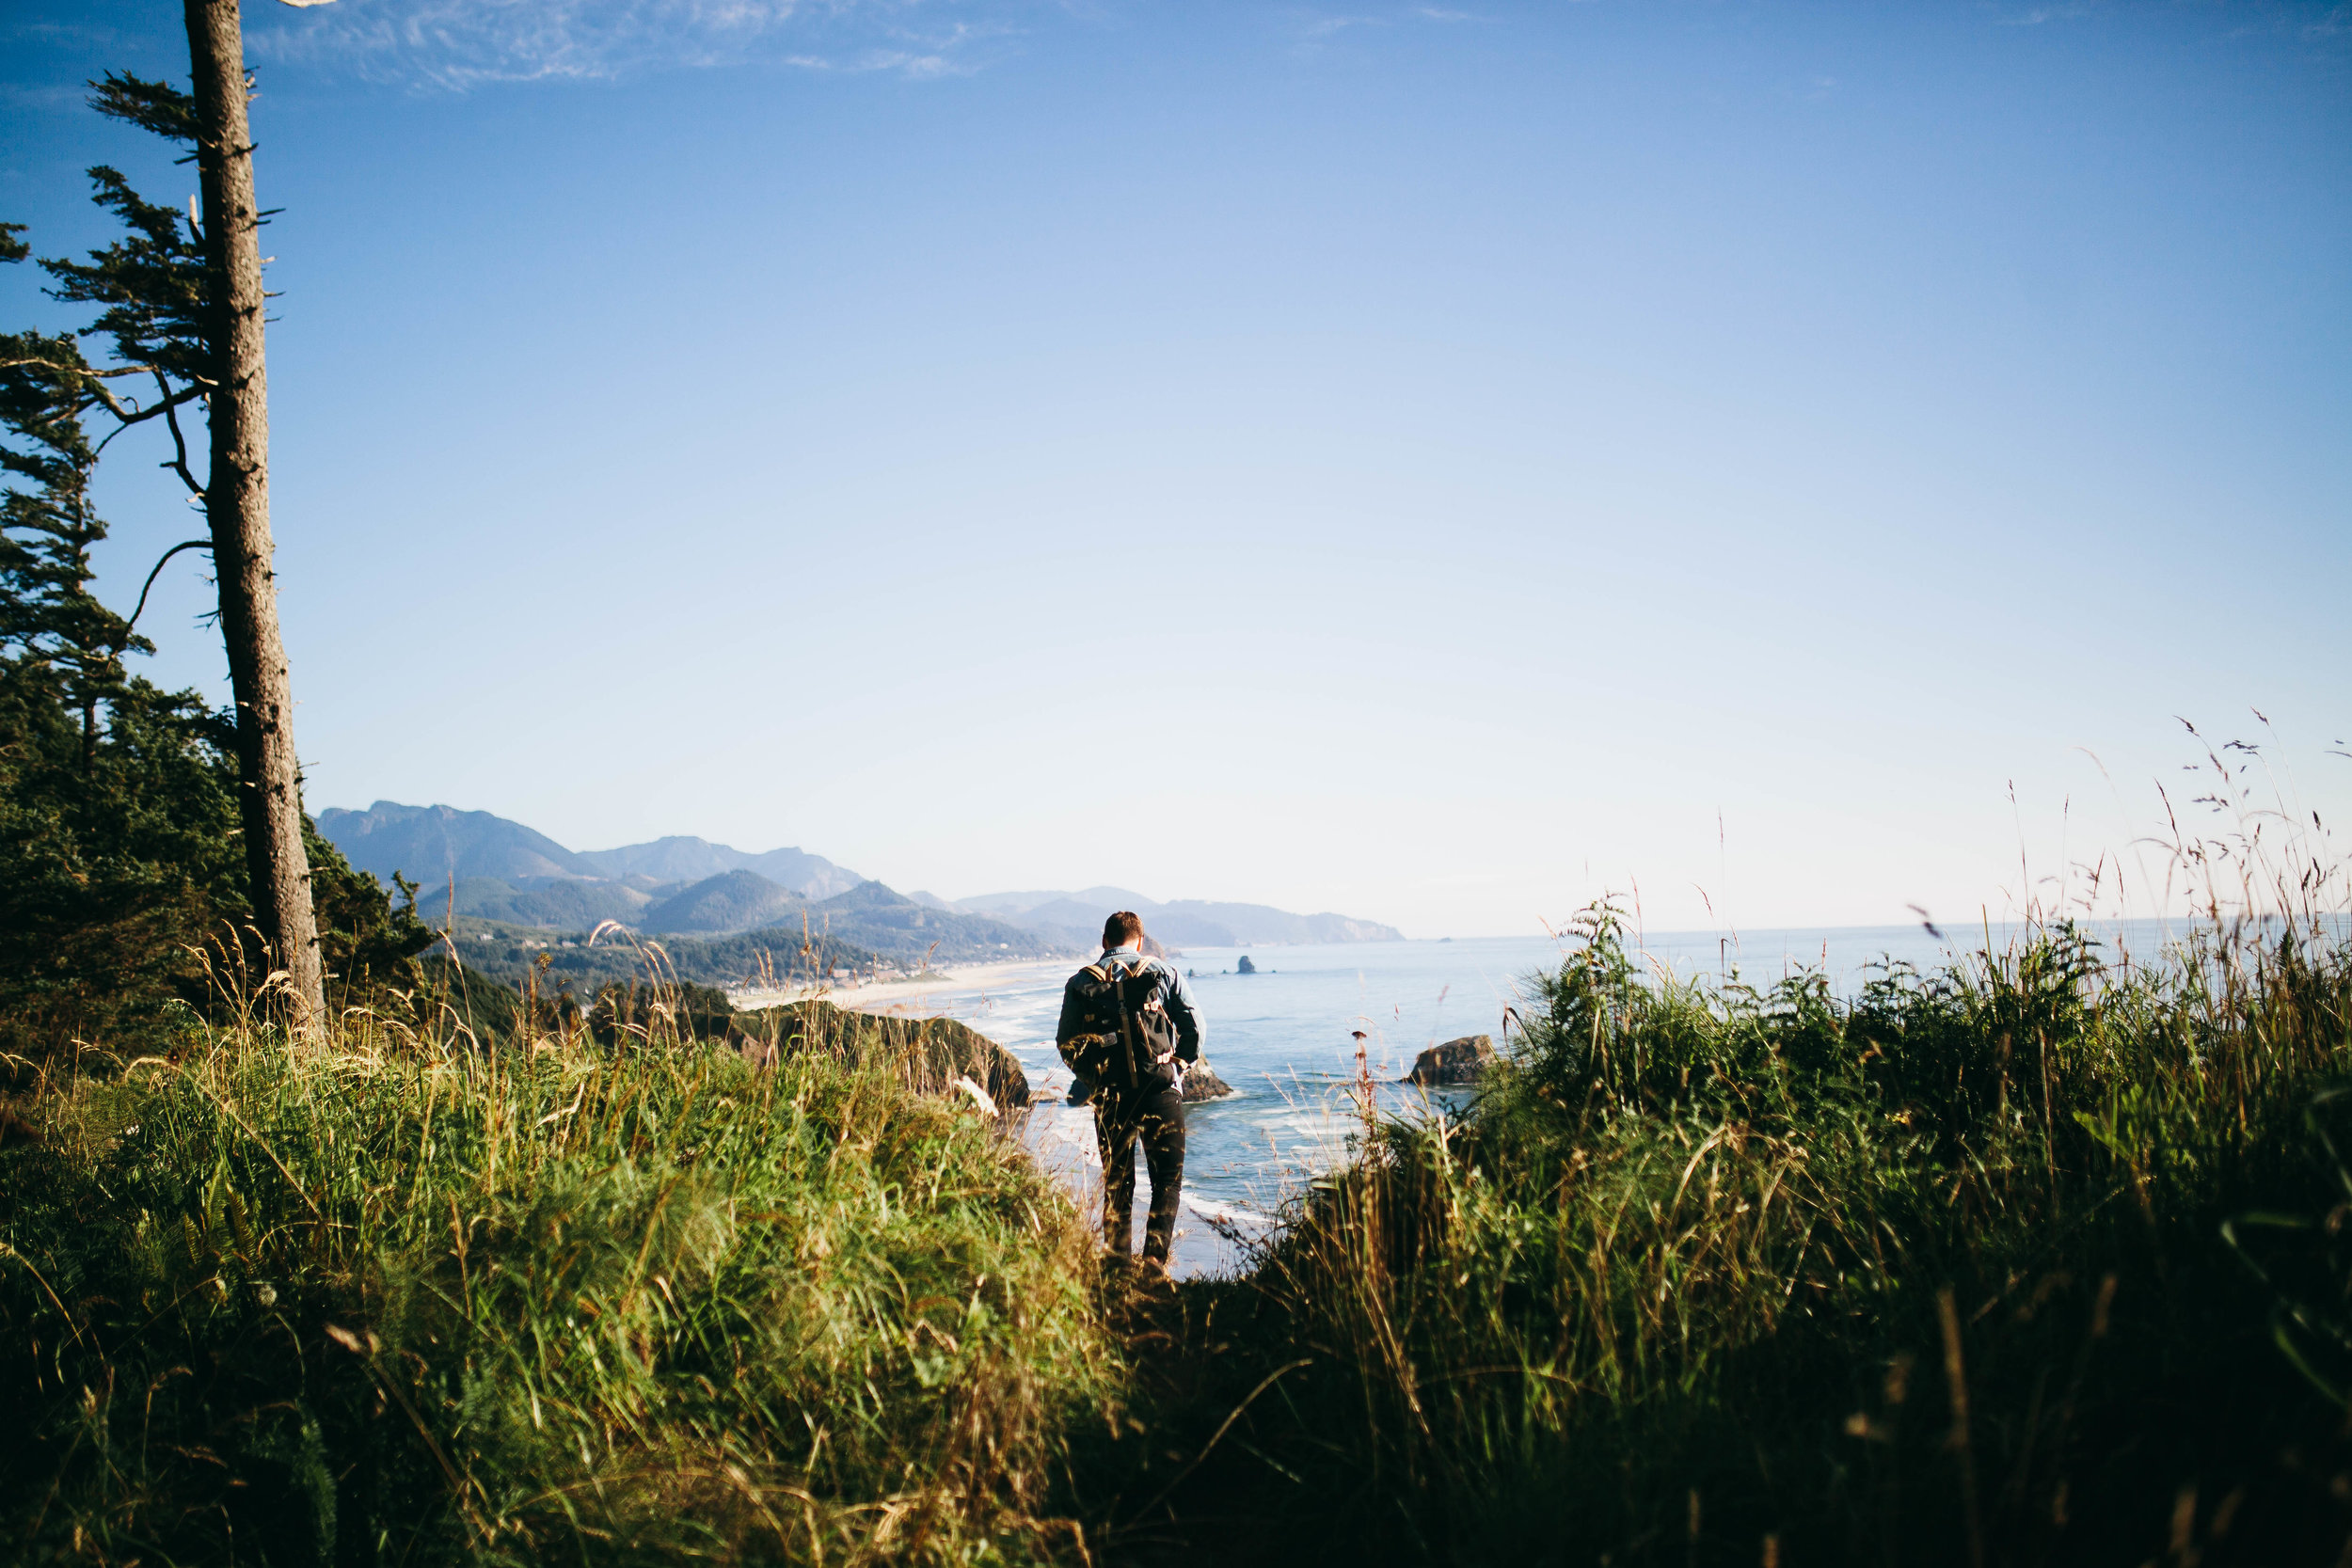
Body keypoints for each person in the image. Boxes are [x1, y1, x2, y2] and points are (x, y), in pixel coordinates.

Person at [1057, 911, 1202, 1268]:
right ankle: (1153, 1267)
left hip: (1111, 1097)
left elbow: (1066, 1044)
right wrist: (1178, 1067)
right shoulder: (1164, 972)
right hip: (1159, 1090)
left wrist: (1095, 1080)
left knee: (1118, 1184)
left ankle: (1117, 1266)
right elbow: (1195, 1030)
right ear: (1140, 941)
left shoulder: (1079, 983)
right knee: (1166, 1181)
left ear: (1104, 942)